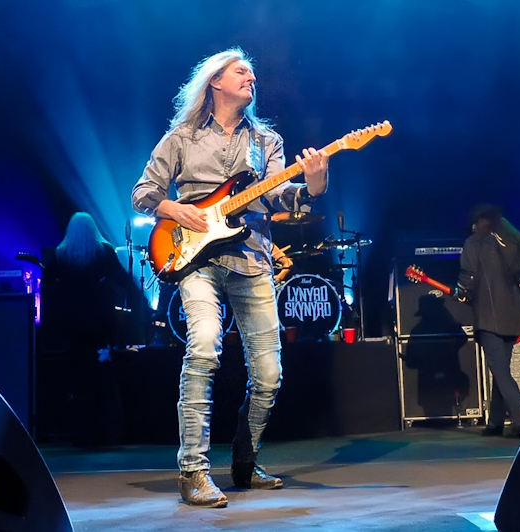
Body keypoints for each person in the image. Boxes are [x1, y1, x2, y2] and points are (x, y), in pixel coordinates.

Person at [131, 48, 329, 508]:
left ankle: (245, 459)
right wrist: (173, 208)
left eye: (254, 74)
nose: (251, 78)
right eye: (241, 71)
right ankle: (193, 471)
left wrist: (314, 185)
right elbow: (144, 193)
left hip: (253, 259)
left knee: (269, 373)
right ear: (215, 81)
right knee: (203, 346)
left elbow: (281, 198)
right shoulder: (180, 137)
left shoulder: (266, 141)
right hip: (194, 256)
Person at [42, 212, 129, 448]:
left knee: (78, 379)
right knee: (103, 378)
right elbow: (123, 281)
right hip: (101, 321)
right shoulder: (104, 251)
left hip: (72, 324)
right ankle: (108, 433)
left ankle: (81, 434)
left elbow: (47, 282)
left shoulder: (61, 254)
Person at [453, 204, 520, 439]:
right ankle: (495, 422)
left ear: (477, 222)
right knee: (501, 369)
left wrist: (462, 291)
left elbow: (468, 277)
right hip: (513, 314)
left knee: (499, 371)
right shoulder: (510, 241)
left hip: (489, 316)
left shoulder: (475, 242)